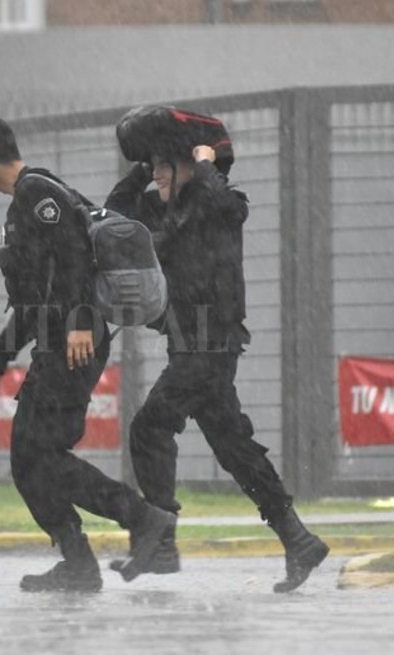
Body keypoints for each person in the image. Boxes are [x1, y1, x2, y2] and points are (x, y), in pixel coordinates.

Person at [104, 110, 329, 593]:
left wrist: (204, 163)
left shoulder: (217, 203)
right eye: (153, 166)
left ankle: (162, 543)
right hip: (187, 344)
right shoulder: (162, 209)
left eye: (165, 165)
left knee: (149, 427)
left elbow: (228, 204)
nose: (157, 174)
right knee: (234, 448)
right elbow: (115, 217)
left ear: (190, 163)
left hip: (211, 346)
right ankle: (298, 539)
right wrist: (143, 169)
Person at [0, 116, 175, 593]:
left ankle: (141, 518)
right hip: (57, 343)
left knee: (38, 455)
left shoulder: (37, 192)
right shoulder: (24, 202)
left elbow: (76, 251)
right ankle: (81, 559)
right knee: (29, 460)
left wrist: (79, 320)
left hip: (74, 344)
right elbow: (32, 301)